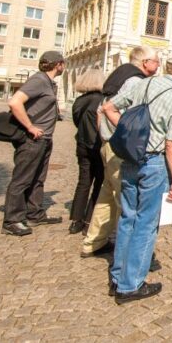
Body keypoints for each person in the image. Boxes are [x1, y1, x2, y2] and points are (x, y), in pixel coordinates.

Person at [101, 49, 172, 304]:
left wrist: (129, 131)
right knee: (146, 223)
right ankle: (131, 285)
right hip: (154, 161)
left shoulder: (144, 83)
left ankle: (118, 276)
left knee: (128, 217)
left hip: (131, 157)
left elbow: (108, 107)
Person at [81, 47, 159, 257]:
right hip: (121, 147)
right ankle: (130, 255)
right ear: (145, 62)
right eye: (156, 61)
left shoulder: (118, 77)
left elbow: (100, 110)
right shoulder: (135, 82)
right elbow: (111, 110)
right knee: (126, 201)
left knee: (107, 196)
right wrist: (127, 134)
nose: (159, 65)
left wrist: (104, 136)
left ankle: (93, 242)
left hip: (109, 143)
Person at [1, 51, 66, 236]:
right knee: (22, 179)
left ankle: (34, 214)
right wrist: (30, 126)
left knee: (38, 178)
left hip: (44, 139)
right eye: (63, 64)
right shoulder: (38, 80)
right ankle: (12, 220)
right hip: (32, 140)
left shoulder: (47, 82)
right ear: (58, 64)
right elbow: (14, 102)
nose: (63, 67)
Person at [69, 68, 105, 235]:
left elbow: (77, 122)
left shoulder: (78, 101)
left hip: (82, 144)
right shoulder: (103, 100)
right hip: (97, 146)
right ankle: (89, 219)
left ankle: (75, 221)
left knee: (83, 182)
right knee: (99, 182)